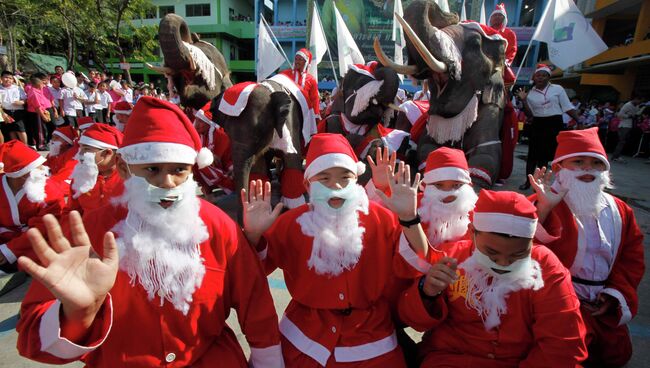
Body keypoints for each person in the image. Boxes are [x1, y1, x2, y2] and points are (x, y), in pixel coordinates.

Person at [16, 96, 283, 367]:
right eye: (152, 169)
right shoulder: (93, 230)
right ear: (124, 167)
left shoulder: (217, 225)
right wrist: (75, 314)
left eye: (179, 170)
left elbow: (256, 304)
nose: (167, 182)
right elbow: (31, 338)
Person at [242, 133, 431, 368]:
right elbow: (251, 272)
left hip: (371, 337)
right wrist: (253, 235)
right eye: (325, 178)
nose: (337, 187)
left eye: (345, 177)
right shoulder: (291, 223)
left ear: (356, 180)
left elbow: (418, 263)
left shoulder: (380, 218)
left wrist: (409, 218)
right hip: (304, 336)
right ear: (308, 185)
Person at [400, 189, 588, 367]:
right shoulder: (453, 258)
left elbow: (562, 343)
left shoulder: (545, 267)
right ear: (472, 232)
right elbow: (413, 320)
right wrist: (427, 292)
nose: (504, 263)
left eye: (518, 255)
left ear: (531, 242)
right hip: (452, 359)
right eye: (492, 253)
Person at [529, 127, 645, 367]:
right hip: (556, 300)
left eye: (596, 163)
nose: (587, 169)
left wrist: (614, 294)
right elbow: (522, 252)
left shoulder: (622, 210)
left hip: (602, 298)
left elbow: (631, 259)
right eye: (578, 162)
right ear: (559, 168)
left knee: (617, 353)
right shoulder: (544, 201)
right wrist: (543, 210)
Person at [0, 140, 66, 273]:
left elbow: (44, 227)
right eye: (37, 167)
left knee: (45, 253)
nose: (44, 170)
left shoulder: (48, 189)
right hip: (5, 234)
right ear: (20, 173)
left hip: (34, 239)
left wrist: (9, 250)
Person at [516, 64, 579, 190]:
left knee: (544, 157)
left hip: (554, 123)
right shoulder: (530, 93)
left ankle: (538, 183)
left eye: (544, 75)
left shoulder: (558, 89)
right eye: (538, 75)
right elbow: (530, 115)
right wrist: (523, 100)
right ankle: (528, 182)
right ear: (534, 77)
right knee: (532, 155)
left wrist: (579, 120)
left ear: (548, 77)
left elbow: (567, 107)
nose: (540, 78)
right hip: (538, 124)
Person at [67, 124, 124, 214]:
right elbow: (72, 211)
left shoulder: (129, 179)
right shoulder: (80, 177)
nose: (80, 154)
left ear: (107, 153)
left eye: (86, 149)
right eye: (80, 148)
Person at [193, 101, 234, 196]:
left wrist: (211, 157)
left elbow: (226, 159)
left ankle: (228, 186)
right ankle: (207, 186)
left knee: (203, 163)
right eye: (196, 120)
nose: (196, 125)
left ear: (209, 123)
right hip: (219, 168)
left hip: (228, 168)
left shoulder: (220, 136)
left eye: (200, 121)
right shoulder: (200, 135)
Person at [280, 48, 321, 121]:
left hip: (304, 114)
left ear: (306, 62)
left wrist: (316, 115)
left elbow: (314, 99)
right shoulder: (286, 74)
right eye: (296, 59)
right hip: (287, 112)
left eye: (300, 59)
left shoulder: (311, 80)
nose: (297, 62)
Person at [488, 3, 517, 84]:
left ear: (504, 18)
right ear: (490, 18)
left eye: (499, 15)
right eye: (495, 15)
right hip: (484, 62)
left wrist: (505, 62)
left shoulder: (510, 33)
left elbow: (512, 50)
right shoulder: (484, 31)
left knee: (508, 81)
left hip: (500, 65)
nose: (497, 17)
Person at [45, 126, 79, 190]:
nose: (52, 141)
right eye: (52, 137)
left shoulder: (72, 156)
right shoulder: (52, 153)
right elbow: (43, 167)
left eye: (57, 138)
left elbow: (66, 177)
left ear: (66, 142)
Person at [611, 94, 643, 163]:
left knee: (623, 141)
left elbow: (636, 113)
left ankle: (617, 155)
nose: (639, 102)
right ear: (635, 99)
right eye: (638, 100)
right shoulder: (627, 105)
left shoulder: (636, 106)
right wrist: (629, 116)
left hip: (629, 125)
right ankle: (615, 156)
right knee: (621, 141)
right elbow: (620, 114)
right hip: (624, 125)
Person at [0, 70, 28, 144]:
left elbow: (25, 99)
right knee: (11, 130)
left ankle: (25, 146)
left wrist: (21, 102)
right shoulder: (0, 89)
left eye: (10, 78)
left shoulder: (18, 88)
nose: (8, 79)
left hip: (17, 111)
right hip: (6, 112)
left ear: (13, 79)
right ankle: (16, 146)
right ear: (1, 78)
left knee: (20, 130)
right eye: (6, 77)